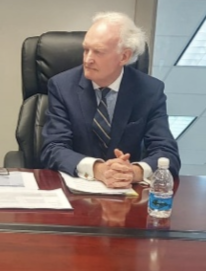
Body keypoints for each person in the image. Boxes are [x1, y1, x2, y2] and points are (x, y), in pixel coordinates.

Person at [40, 12, 180, 188]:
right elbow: (53, 148)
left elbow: (167, 153)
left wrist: (134, 172)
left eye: (98, 52)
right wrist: (97, 169)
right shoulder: (62, 86)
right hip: (75, 191)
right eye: (86, 49)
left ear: (124, 57)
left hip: (128, 194)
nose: (87, 59)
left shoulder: (149, 91)